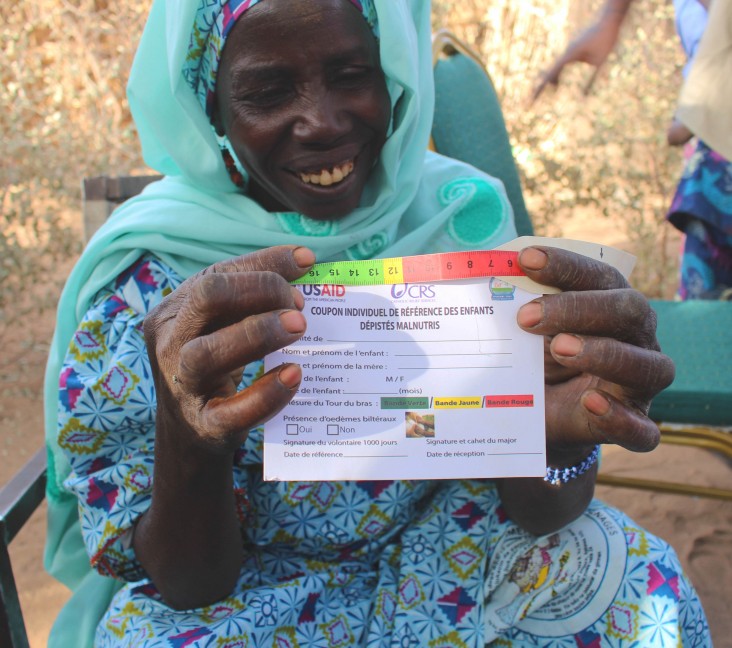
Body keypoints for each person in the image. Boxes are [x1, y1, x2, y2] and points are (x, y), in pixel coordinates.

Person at [43, 0, 711, 646]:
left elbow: (545, 512)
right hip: (245, 600)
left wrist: (560, 445)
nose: (322, 121)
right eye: (269, 90)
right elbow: (192, 582)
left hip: (467, 559)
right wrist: (189, 435)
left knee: (641, 592)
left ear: (392, 77)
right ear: (210, 105)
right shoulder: (152, 283)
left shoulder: (461, 218)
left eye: (351, 74)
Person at [534, 0, 732, 300]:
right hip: (711, 159)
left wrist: (696, 115)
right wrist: (610, 20)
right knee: (705, 309)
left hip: (715, 154)